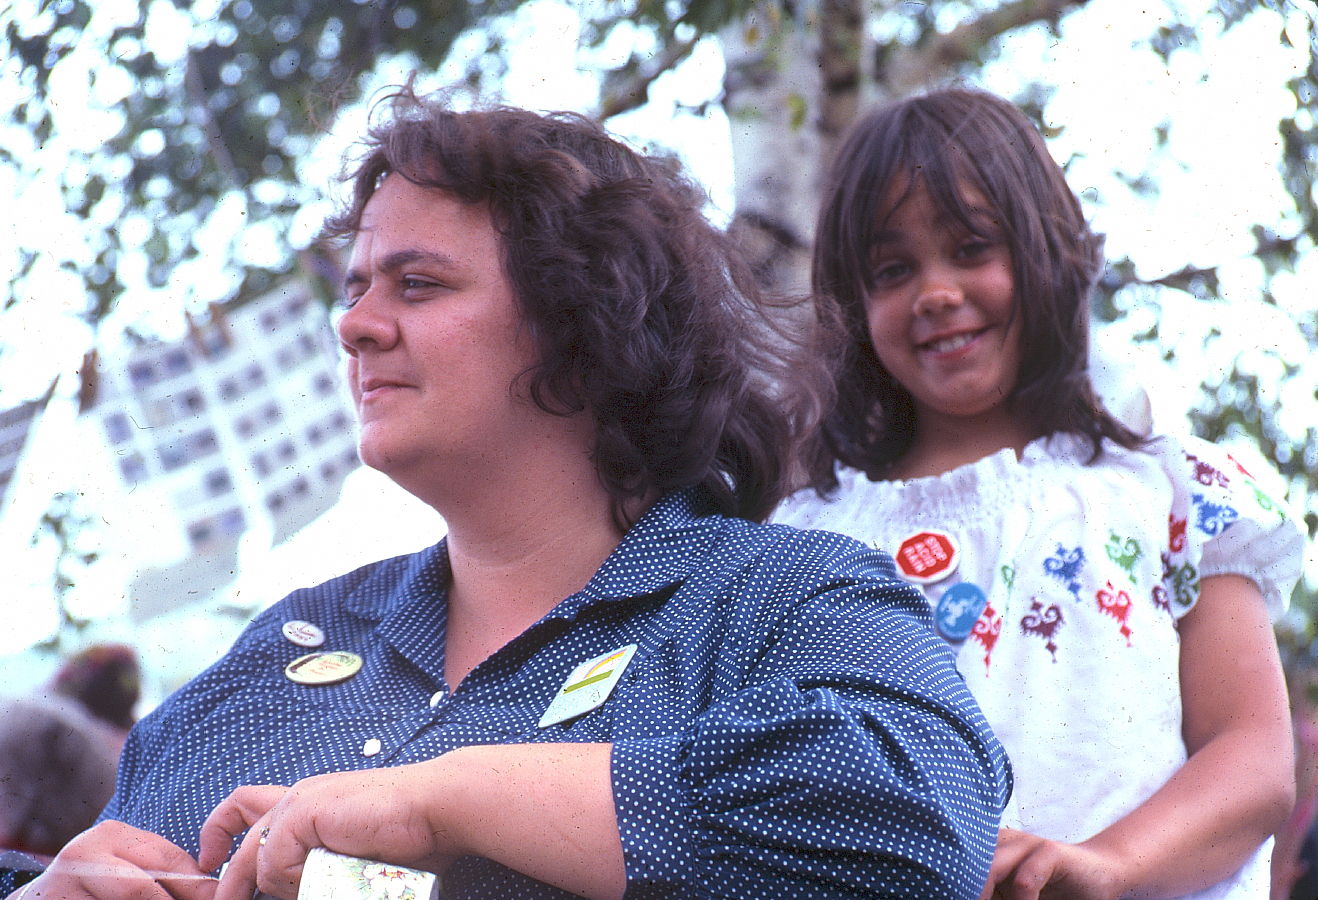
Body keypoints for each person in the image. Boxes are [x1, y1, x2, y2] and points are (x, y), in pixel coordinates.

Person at [10, 87, 1011, 900]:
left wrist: (447, 803)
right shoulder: (277, 648)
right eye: (353, 287)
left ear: (586, 325)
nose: (354, 326)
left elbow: (918, 820)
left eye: (416, 284)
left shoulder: (778, 599)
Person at [774, 87, 1305, 900]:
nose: (936, 291)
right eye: (892, 269)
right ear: (851, 304)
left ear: (1047, 249)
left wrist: (1108, 865)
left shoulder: (1167, 493)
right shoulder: (806, 539)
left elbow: (1253, 759)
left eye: (972, 247)